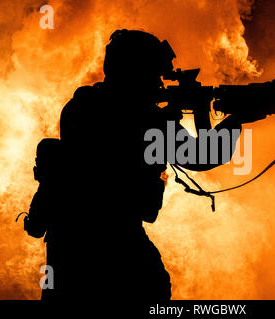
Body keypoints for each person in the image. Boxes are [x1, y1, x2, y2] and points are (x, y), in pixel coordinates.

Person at [23, 29, 262, 303]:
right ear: (135, 72)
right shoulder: (148, 120)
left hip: (68, 244)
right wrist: (236, 118)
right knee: (152, 286)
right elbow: (204, 155)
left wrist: (189, 110)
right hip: (117, 245)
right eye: (153, 75)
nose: (158, 84)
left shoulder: (80, 106)